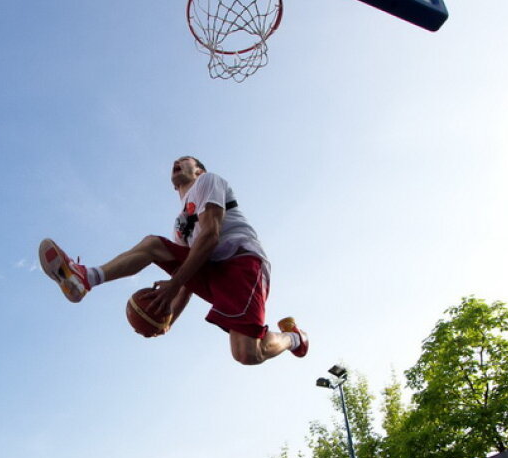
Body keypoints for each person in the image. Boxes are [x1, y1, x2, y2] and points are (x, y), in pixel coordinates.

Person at [39, 155, 308, 365]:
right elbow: (186, 278)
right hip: (210, 269)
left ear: (198, 171)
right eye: (174, 163)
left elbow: (211, 236)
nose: (176, 163)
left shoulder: (208, 182)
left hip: (240, 262)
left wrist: (174, 283)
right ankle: (85, 277)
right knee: (153, 245)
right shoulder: (180, 226)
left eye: (185, 161)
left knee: (248, 354)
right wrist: (168, 322)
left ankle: (295, 338)